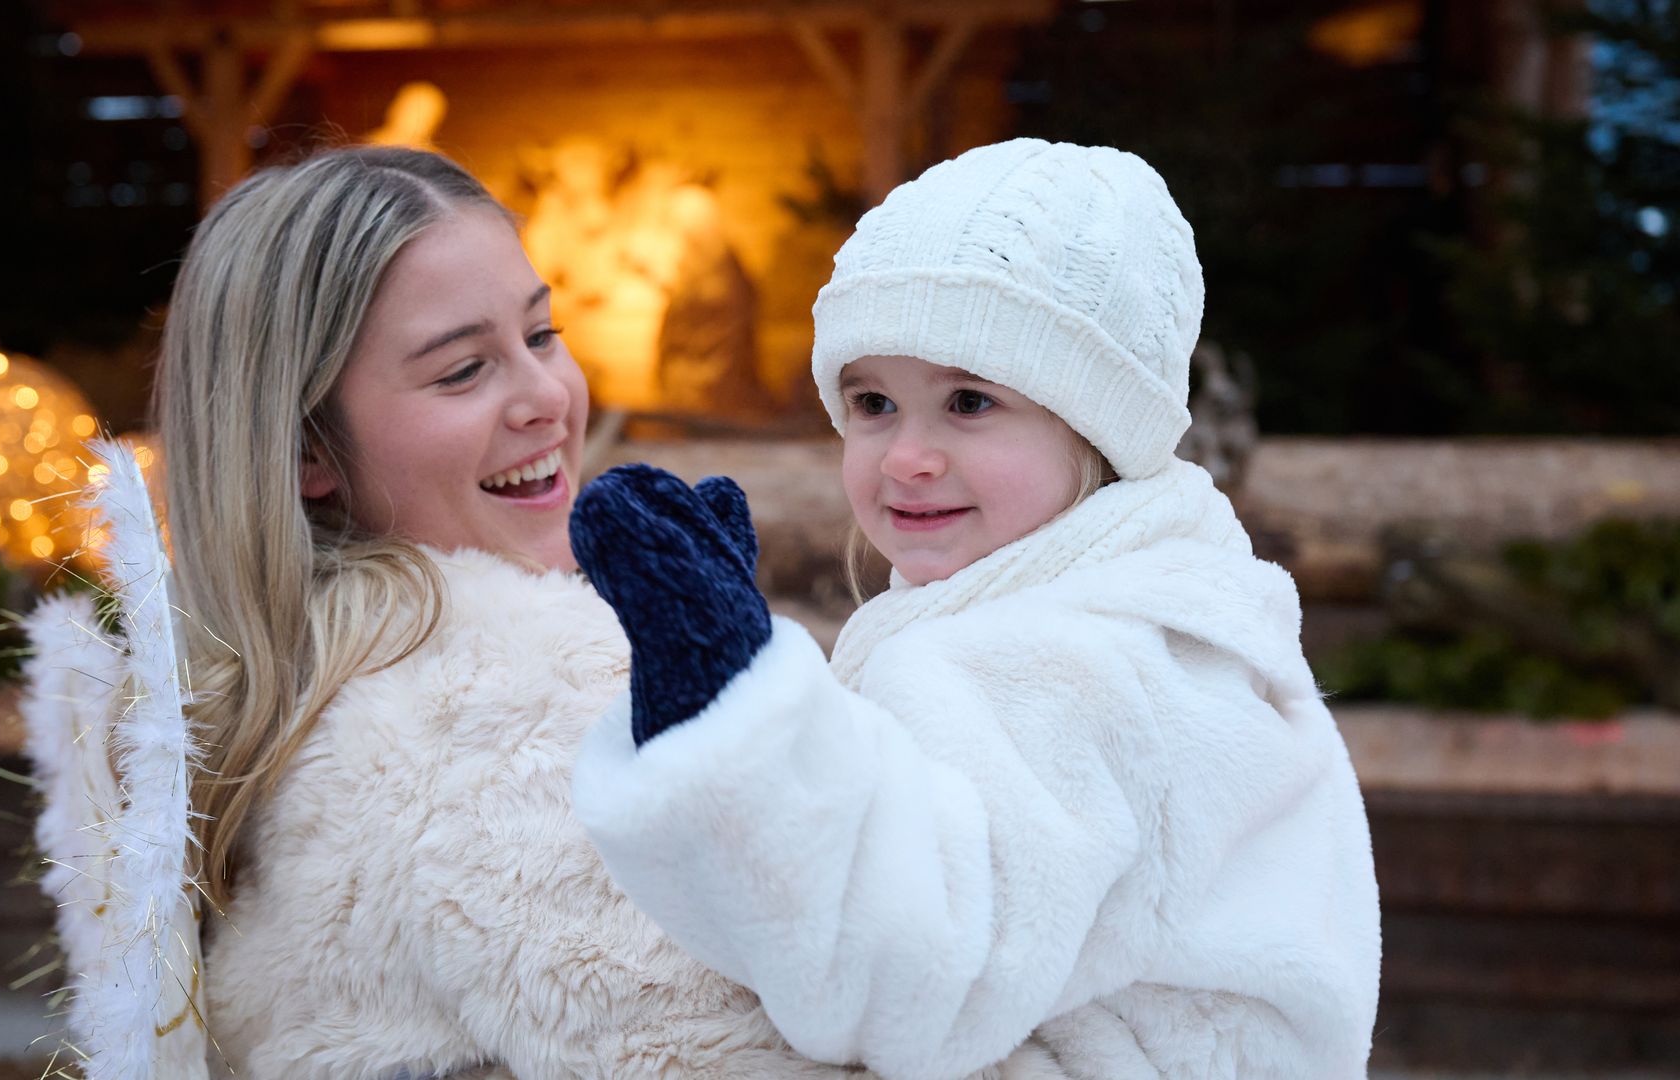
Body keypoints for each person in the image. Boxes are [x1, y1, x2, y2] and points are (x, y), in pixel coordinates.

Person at [569, 139, 1383, 1080]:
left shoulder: (1082, 665)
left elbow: (909, 986)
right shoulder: (1096, 603)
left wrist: (726, 704)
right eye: (873, 401)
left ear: (1096, 430)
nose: (906, 453)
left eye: (968, 401)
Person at [153, 145, 876, 1079]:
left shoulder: (296, 689)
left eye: (541, 335)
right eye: (462, 371)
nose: (547, 398)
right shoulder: (506, 717)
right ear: (306, 453)